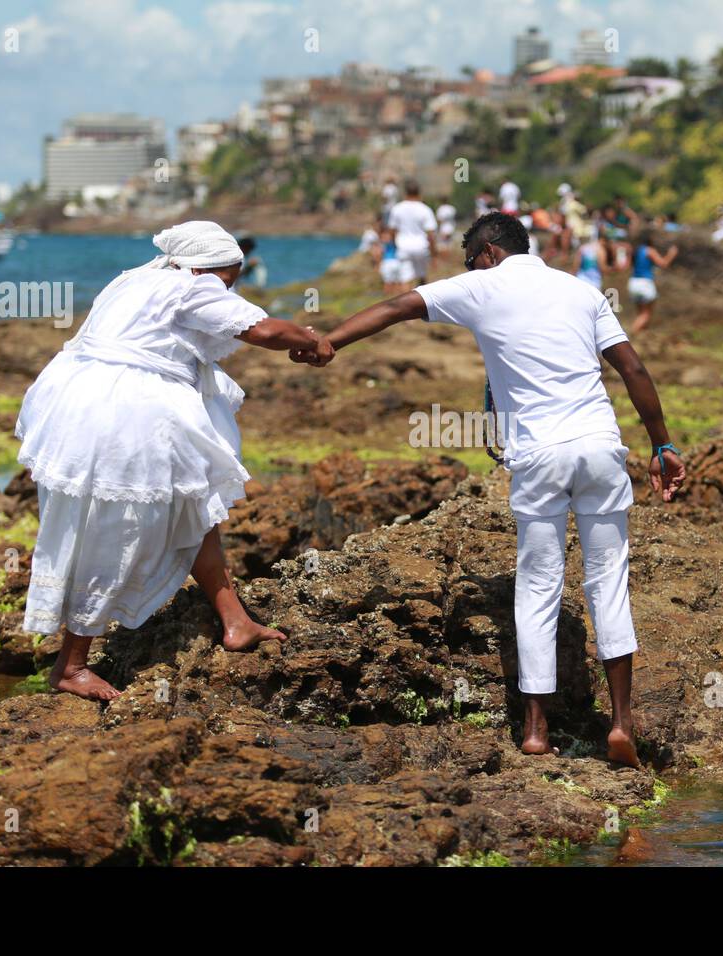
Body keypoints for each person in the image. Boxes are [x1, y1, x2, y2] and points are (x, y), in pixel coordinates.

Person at [291, 212, 685, 766]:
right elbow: (633, 369)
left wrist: (329, 341)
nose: (467, 269)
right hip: (600, 446)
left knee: (539, 586)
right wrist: (663, 446)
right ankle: (620, 724)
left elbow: (396, 307)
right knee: (608, 581)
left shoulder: (483, 282)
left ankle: (535, 730)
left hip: (540, 456)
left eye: (469, 258)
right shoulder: (582, 290)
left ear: (490, 252)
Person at [15, 221, 326, 701]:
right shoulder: (192, 285)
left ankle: (235, 621)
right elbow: (263, 329)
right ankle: (71, 666)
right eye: (228, 279)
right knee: (116, 529)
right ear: (206, 268)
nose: (229, 288)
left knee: (195, 505)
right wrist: (310, 338)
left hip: (76, 401)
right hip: (123, 415)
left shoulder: (135, 279)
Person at [386, 179, 437, 287]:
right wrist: (433, 254)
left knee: (405, 278)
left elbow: (391, 231)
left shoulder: (397, 208)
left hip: (403, 246)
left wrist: (395, 245)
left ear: (405, 192)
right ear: (419, 192)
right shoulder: (425, 209)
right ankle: (422, 302)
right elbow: (431, 235)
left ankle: (406, 303)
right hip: (421, 247)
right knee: (422, 278)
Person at [627, 231, 679, 334]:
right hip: (645, 283)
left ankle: (640, 336)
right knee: (646, 314)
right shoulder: (649, 250)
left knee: (640, 313)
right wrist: (671, 254)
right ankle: (631, 335)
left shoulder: (636, 251)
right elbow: (663, 263)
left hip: (633, 282)